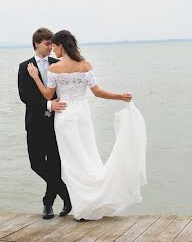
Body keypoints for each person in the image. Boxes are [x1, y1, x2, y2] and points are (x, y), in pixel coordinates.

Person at [27, 29, 147, 221]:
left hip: (65, 117)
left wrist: (34, 77)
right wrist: (120, 96)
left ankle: (83, 206)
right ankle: (94, 201)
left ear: (60, 46)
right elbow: (98, 92)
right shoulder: (85, 65)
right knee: (89, 157)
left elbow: (48, 96)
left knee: (72, 163)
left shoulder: (54, 69)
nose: (53, 51)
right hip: (83, 116)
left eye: (55, 47)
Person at [17, 28, 72, 219]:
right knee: (37, 163)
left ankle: (48, 204)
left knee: (55, 164)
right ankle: (66, 194)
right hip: (34, 123)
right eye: (47, 44)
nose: (50, 47)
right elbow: (25, 96)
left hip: (57, 124)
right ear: (36, 44)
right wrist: (48, 104)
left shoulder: (57, 64)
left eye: (51, 44)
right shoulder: (25, 67)